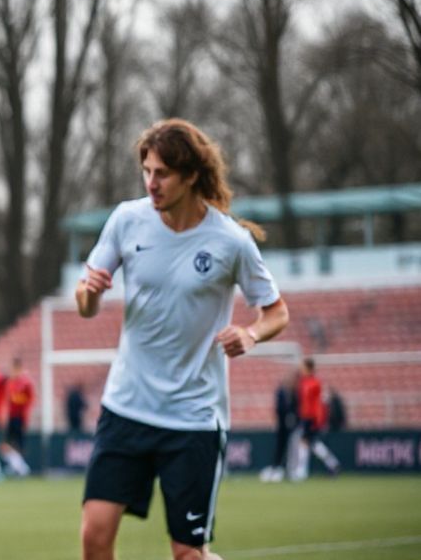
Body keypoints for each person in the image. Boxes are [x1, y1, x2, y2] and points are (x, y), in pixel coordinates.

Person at [75, 119, 290, 560]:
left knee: (188, 554)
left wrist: (250, 333)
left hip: (193, 419)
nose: (151, 183)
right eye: (147, 171)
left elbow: (277, 312)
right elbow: (85, 304)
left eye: (163, 174)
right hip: (126, 407)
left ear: (191, 175)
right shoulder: (127, 220)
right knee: (94, 537)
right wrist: (90, 292)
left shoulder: (231, 241)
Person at [294, 357, 340, 480]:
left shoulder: (315, 383)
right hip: (304, 417)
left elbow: (319, 403)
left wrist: (319, 419)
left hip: (312, 417)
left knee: (305, 442)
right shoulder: (303, 382)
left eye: (303, 367)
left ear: (309, 368)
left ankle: (301, 472)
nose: (301, 369)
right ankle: (333, 463)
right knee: (312, 443)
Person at [259, 369, 299, 483]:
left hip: (291, 426)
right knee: (280, 448)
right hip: (282, 425)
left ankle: (288, 469)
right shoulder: (281, 392)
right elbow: (279, 408)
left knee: (290, 448)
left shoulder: (293, 392)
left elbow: (295, 407)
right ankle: (277, 468)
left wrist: (293, 417)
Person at [0, 357, 33, 477]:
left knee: (19, 443)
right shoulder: (10, 382)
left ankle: (20, 468)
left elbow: (29, 400)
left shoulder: (25, 383)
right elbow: (7, 400)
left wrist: (25, 414)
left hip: (20, 417)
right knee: (6, 444)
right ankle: (18, 466)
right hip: (11, 416)